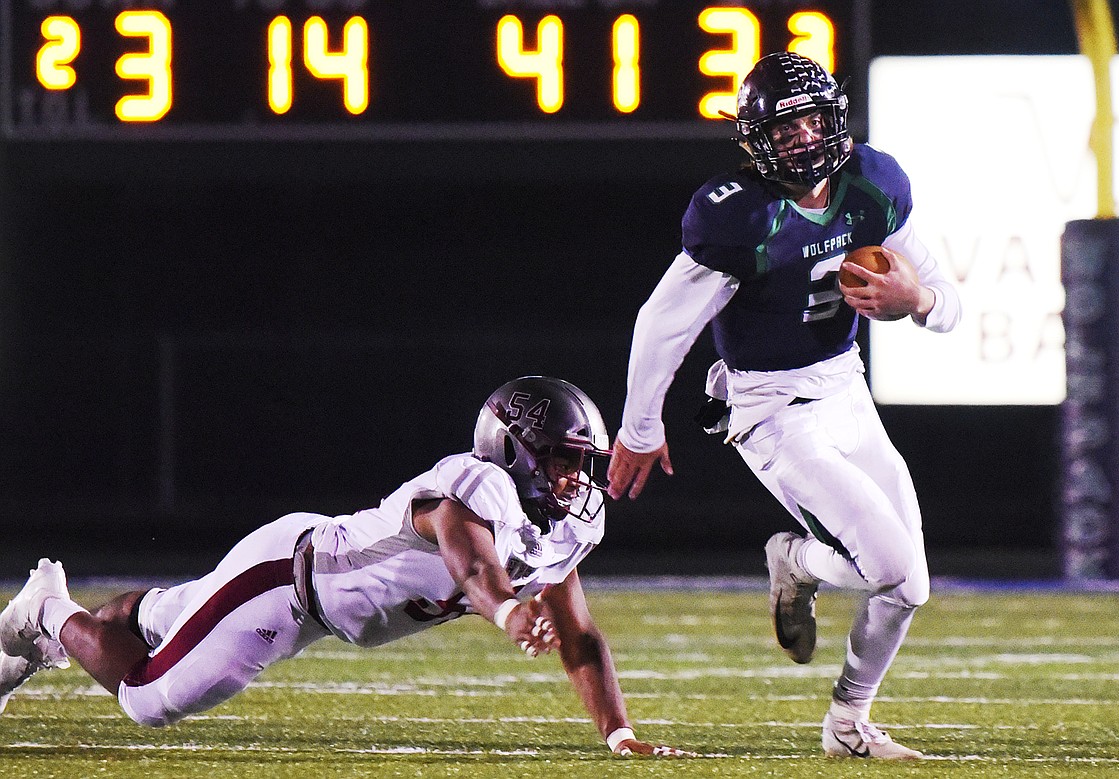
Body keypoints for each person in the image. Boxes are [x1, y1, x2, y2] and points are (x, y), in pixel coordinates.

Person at [0, 376, 692, 758]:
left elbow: (582, 636)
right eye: (564, 458)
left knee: (159, 616)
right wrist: (509, 609)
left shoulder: (560, 524)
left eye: (582, 460)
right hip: (286, 585)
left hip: (312, 587)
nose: (577, 477)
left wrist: (620, 735)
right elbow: (472, 562)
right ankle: (49, 611)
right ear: (514, 449)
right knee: (151, 696)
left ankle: (32, 640)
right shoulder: (472, 484)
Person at [606, 52, 961, 759]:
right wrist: (639, 427)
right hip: (771, 408)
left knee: (910, 583)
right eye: (785, 125)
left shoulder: (873, 186)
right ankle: (794, 556)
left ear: (834, 117)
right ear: (754, 139)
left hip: (846, 387)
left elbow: (947, 304)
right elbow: (660, 325)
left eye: (810, 119)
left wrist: (914, 298)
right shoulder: (739, 217)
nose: (801, 137)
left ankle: (847, 723)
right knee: (888, 562)